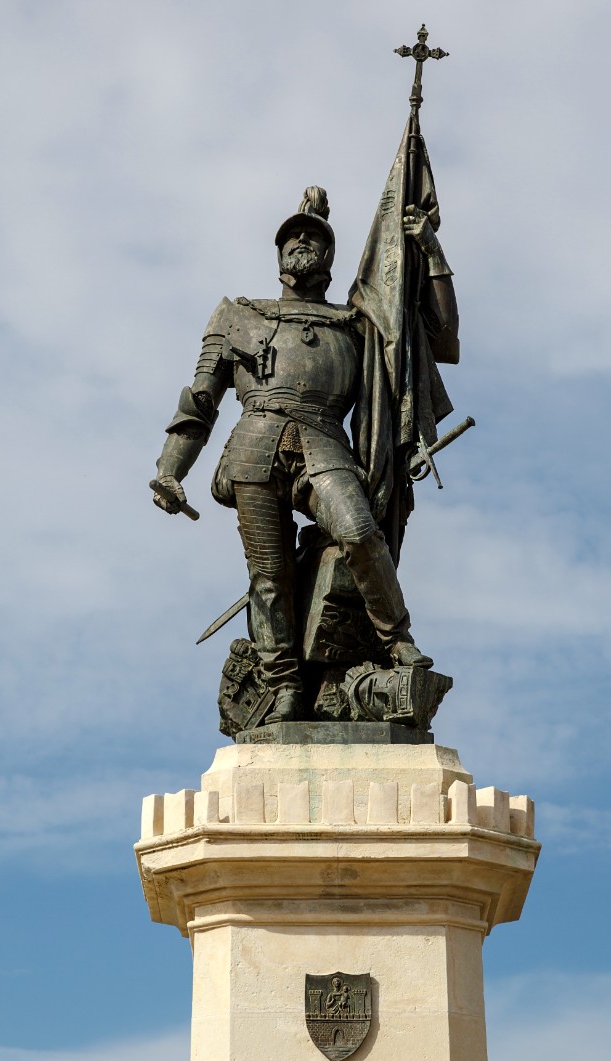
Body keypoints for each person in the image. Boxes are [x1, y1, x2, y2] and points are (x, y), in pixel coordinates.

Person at [150, 187, 458, 727]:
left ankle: (398, 640)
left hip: (323, 441)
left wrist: (429, 251)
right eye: (292, 237)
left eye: (312, 237)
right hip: (254, 444)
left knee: (360, 534)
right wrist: (170, 470)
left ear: (330, 257)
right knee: (270, 577)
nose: (300, 242)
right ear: (278, 255)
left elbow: (440, 339)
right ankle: (285, 685)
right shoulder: (236, 316)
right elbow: (199, 401)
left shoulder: (359, 324)